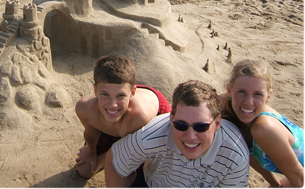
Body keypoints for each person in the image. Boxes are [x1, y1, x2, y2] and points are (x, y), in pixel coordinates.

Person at [105, 80, 250, 189]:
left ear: (217, 123)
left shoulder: (235, 157)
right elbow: (115, 160)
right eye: (181, 125)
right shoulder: (154, 134)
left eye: (201, 127)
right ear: (171, 119)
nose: (191, 136)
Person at [75, 54, 171, 178]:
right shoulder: (85, 109)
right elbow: (91, 132)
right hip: (122, 116)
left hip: (145, 126)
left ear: (132, 93)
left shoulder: (139, 117)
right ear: (95, 90)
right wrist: (91, 150)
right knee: (85, 170)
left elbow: (127, 150)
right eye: (105, 94)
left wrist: (108, 158)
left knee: (135, 176)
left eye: (120, 96)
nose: (112, 104)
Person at [222, 59, 305, 189]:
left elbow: (300, 178)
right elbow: (251, 154)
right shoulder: (226, 106)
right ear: (229, 90)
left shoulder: (264, 129)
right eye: (242, 92)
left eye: (257, 94)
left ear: (268, 96)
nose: (248, 102)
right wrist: (275, 184)